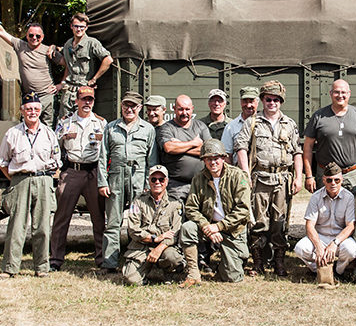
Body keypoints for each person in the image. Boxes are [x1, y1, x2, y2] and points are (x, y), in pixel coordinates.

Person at [234, 80, 303, 276]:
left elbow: (297, 152)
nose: (272, 103)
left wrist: (298, 177)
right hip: (260, 178)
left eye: (276, 100)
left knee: (280, 221)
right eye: (268, 99)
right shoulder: (252, 122)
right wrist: (246, 174)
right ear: (262, 100)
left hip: (282, 179)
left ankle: (279, 262)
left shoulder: (289, 124)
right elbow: (241, 147)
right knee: (258, 220)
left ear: (281, 101)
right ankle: (258, 262)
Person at [0, 92, 60, 278]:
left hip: (43, 180)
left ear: (40, 111)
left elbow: (57, 162)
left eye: (36, 109)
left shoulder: (49, 133)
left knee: (42, 228)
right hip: (20, 181)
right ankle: (10, 268)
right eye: (29, 109)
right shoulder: (13, 133)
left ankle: (42, 268)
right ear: (22, 111)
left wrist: (46, 179)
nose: (32, 112)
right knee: (16, 227)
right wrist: (16, 180)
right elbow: (2, 162)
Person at [97, 90, 159, 274]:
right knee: (113, 222)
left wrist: (150, 183)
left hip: (138, 178)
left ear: (140, 108)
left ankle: (136, 260)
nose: (129, 109)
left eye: (133, 106)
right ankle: (109, 262)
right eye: (126, 105)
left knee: (139, 221)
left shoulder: (148, 129)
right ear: (121, 106)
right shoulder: (111, 127)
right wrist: (102, 182)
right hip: (116, 177)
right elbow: (103, 157)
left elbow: (152, 159)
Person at [178, 139, 252, 287]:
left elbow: (243, 209)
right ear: (203, 160)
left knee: (232, 277)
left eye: (216, 158)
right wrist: (207, 226)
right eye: (208, 159)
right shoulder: (199, 178)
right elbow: (191, 207)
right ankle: (193, 273)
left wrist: (219, 227)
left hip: (232, 230)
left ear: (223, 158)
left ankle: (227, 262)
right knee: (187, 228)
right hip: (208, 227)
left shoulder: (237, 176)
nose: (213, 162)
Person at [0, 6, 63, 127]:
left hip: (46, 96)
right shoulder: (20, 45)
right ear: (26, 36)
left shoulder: (48, 50)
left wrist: (60, 85)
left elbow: (67, 64)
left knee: (48, 128)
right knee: (27, 128)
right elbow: (0, 32)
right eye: (31, 35)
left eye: (38, 36)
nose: (34, 38)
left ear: (42, 37)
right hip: (29, 97)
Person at [50, 86, 107, 271]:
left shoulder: (101, 123)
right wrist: (58, 168)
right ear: (76, 101)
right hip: (72, 172)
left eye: (90, 99)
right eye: (83, 99)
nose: (87, 103)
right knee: (62, 217)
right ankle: (56, 259)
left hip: (93, 172)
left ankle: (101, 259)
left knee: (98, 219)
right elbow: (55, 146)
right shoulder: (65, 122)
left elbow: (106, 150)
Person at [302, 79, 356, 192]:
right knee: (325, 208)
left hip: (353, 174)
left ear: (349, 94)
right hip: (326, 174)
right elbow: (307, 147)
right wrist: (309, 176)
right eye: (336, 92)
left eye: (343, 92)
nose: (340, 95)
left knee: (353, 207)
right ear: (331, 93)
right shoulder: (319, 116)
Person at [294, 162, 356, 284]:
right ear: (323, 180)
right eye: (329, 180)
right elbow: (309, 225)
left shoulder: (348, 197)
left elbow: (351, 225)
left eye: (336, 180)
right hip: (321, 236)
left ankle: (338, 271)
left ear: (342, 180)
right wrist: (318, 246)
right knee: (300, 249)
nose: (333, 183)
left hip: (339, 238)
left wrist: (335, 243)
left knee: (351, 250)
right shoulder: (316, 197)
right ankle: (317, 270)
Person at [121, 165, 185, 285]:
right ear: (148, 181)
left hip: (165, 247)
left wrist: (159, 247)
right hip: (142, 246)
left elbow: (175, 233)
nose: (157, 182)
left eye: (161, 179)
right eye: (153, 179)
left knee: (173, 258)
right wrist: (154, 238)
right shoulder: (138, 201)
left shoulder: (175, 203)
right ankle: (144, 273)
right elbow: (133, 230)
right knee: (131, 280)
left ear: (166, 181)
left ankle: (169, 274)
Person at [57, 13, 113, 121]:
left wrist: (94, 78)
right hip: (68, 92)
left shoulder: (92, 43)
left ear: (86, 27)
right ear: (71, 26)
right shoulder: (68, 44)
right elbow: (68, 65)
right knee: (64, 122)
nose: (79, 29)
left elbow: (108, 60)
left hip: (84, 90)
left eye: (82, 27)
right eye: (76, 26)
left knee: (83, 121)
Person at [156, 95, 211, 202]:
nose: (184, 113)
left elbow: (208, 151)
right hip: (176, 186)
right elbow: (169, 148)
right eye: (180, 109)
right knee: (176, 216)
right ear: (174, 109)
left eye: (187, 109)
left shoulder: (201, 126)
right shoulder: (167, 128)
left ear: (192, 109)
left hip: (201, 183)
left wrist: (179, 145)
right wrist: (194, 143)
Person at [221, 86, 260, 161]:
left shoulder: (265, 124)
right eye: (245, 101)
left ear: (257, 102)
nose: (248, 105)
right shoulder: (231, 127)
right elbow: (226, 155)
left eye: (251, 101)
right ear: (240, 102)